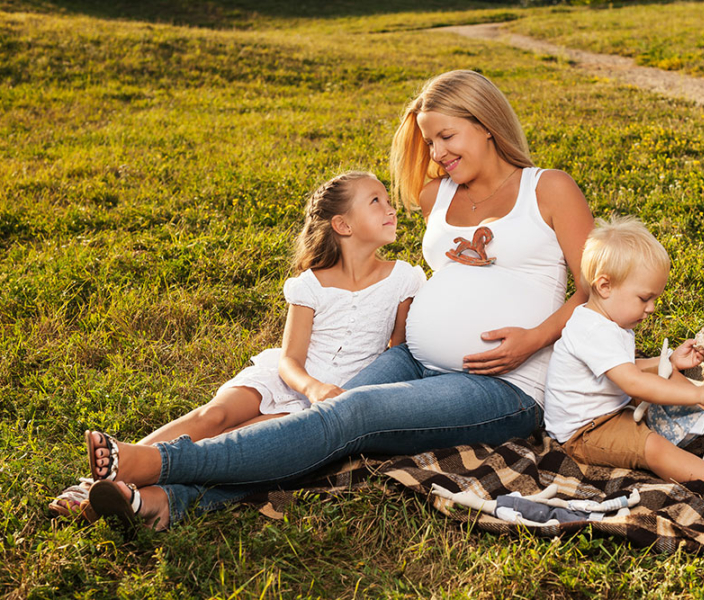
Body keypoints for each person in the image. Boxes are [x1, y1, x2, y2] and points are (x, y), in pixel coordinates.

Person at [83, 69, 594, 532]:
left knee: (353, 416)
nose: (436, 153)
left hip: (502, 383)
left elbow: (596, 289)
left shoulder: (548, 189)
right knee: (321, 430)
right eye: (429, 141)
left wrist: (532, 340)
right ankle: (166, 502)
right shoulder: (437, 195)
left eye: (446, 137)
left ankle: (161, 462)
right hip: (412, 360)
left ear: (486, 123)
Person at [51, 170, 425, 521]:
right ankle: (96, 484)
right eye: (376, 200)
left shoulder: (404, 279)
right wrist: (312, 386)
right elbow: (290, 360)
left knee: (237, 444)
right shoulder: (310, 284)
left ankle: (137, 497)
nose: (390, 207)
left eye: (387, 199)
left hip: (335, 398)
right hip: (293, 379)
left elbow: (397, 353)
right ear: (342, 225)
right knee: (211, 418)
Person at [543, 216, 704, 506]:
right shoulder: (592, 330)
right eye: (644, 298)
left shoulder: (611, 322)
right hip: (585, 431)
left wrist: (670, 361)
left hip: (613, 407)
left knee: (671, 378)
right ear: (605, 286)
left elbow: (627, 368)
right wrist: (697, 392)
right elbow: (633, 383)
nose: (651, 309)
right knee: (653, 447)